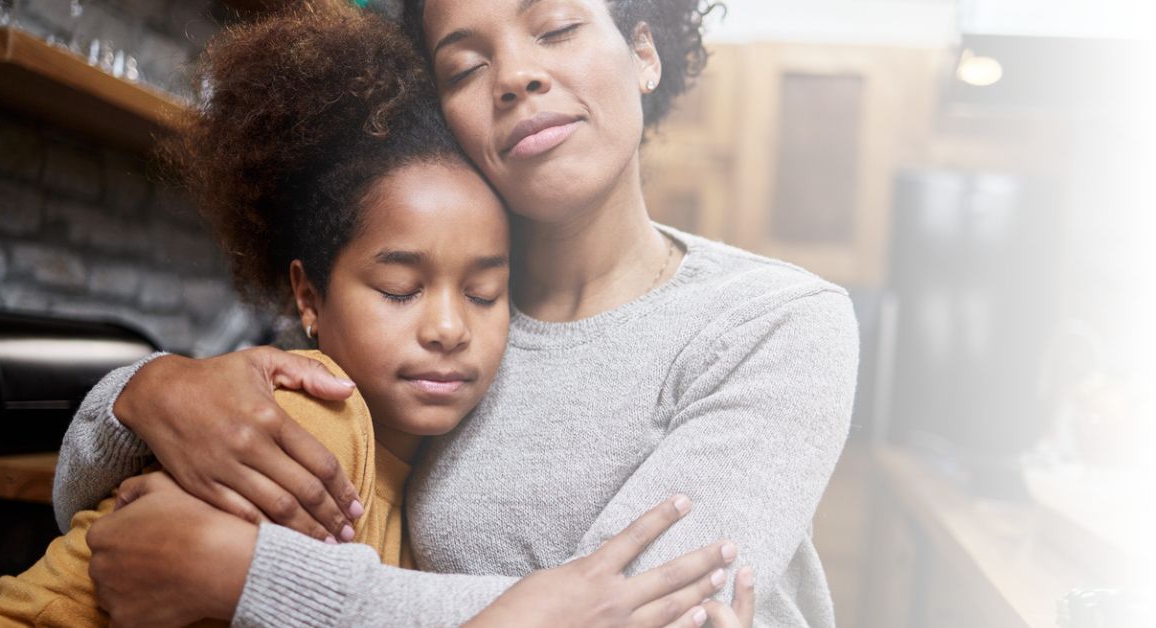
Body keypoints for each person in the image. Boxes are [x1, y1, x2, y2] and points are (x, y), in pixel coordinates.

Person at [57, 0, 859, 625]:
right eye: (466, 65)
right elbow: (103, 518)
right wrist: (144, 396)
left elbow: (645, 613)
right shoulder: (434, 319)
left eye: (555, 27)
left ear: (643, 53)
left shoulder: (779, 322)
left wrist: (243, 577)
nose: (515, 75)